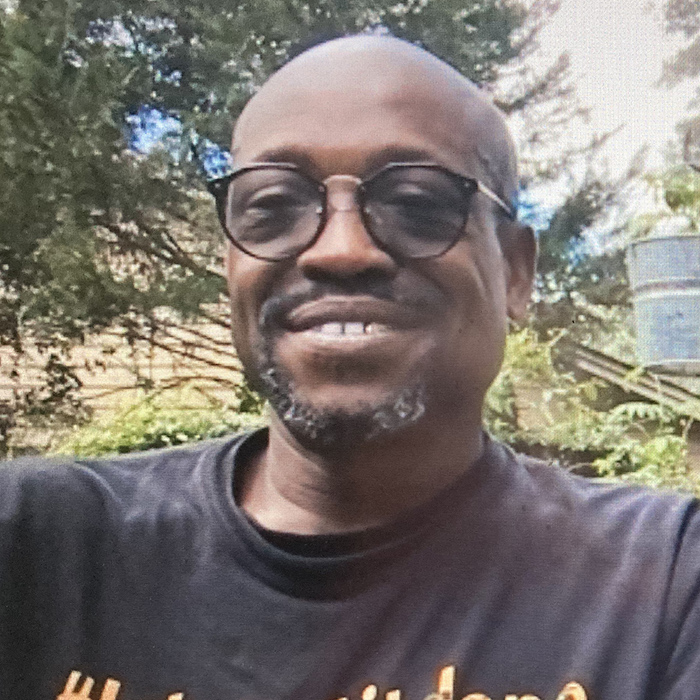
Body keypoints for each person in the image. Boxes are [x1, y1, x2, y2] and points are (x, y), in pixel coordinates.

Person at [1, 34, 699, 700]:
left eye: (418, 203)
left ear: (516, 273)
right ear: (230, 265)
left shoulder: (664, 584)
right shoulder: (40, 546)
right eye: (273, 205)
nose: (340, 249)